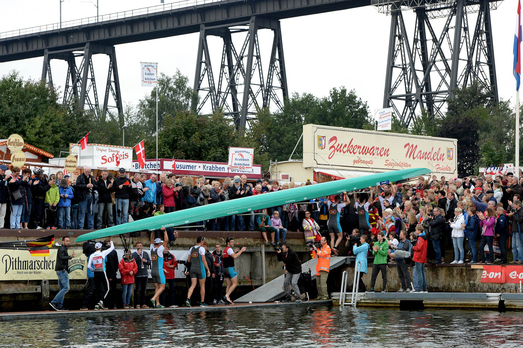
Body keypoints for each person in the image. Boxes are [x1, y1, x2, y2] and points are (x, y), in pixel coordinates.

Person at [87, 237, 115, 310]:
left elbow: (89, 266)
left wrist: (93, 270)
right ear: (101, 247)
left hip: (95, 273)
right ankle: (101, 301)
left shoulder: (92, 255)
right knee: (107, 288)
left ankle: (97, 304)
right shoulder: (102, 253)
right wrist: (111, 241)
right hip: (102, 272)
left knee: (98, 289)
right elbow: (112, 248)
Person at [50, 236, 76, 311]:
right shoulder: (62, 248)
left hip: (60, 270)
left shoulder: (63, 248)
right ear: (62, 241)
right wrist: (69, 257)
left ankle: (59, 306)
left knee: (62, 288)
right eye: (67, 241)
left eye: (69, 241)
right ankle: (54, 302)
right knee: (66, 288)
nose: (68, 242)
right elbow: (61, 257)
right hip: (62, 270)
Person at [185, 236, 211, 307]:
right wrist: (208, 269)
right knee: (202, 285)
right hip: (200, 268)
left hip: (192, 269)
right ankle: (202, 302)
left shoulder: (191, 248)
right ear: (202, 241)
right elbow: (204, 260)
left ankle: (188, 299)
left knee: (193, 285)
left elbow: (189, 260)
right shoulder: (201, 248)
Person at [222, 237, 246, 305]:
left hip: (225, 269)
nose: (233, 243)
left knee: (229, 284)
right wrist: (241, 251)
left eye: (233, 242)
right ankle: (227, 296)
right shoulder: (229, 249)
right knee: (235, 283)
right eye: (231, 242)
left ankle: (227, 299)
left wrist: (234, 252)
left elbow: (229, 256)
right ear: (228, 243)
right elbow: (235, 257)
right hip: (230, 269)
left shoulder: (225, 250)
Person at [149, 227, 169, 308]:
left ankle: (157, 304)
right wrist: (164, 231)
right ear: (159, 244)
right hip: (159, 270)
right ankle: (153, 299)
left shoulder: (151, 248)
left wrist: (153, 231)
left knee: (157, 287)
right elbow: (166, 240)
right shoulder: (159, 249)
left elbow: (151, 239)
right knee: (162, 287)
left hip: (153, 270)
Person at [132, 241, 151, 309]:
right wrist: (138, 255)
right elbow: (133, 261)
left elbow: (149, 262)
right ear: (136, 247)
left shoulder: (145, 253)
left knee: (144, 289)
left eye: (140, 245)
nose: (139, 247)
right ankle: (137, 303)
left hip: (145, 274)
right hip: (138, 274)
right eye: (138, 246)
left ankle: (143, 303)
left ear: (142, 246)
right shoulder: (134, 254)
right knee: (138, 289)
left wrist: (145, 261)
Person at [411, 225, 428, 292]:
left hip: (418, 257)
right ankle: (424, 288)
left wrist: (413, 247)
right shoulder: (424, 238)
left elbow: (418, 248)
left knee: (419, 273)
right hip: (423, 257)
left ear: (419, 231)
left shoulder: (420, 238)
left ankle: (420, 288)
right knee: (422, 273)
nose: (415, 231)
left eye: (416, 230)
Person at [104, 238, 119, 309]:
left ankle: (111, 304)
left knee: (111, 290)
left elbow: (115, 264)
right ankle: (110, 304)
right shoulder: (106, 252)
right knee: (108, 290)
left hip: (110, 274)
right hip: (107, 274)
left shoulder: (112, 252)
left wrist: (111, 275)